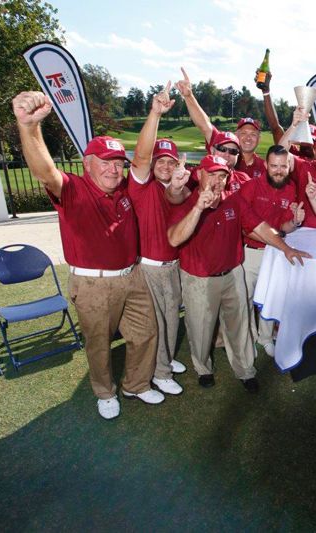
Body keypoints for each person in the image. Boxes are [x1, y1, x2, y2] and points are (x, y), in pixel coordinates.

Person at [11, 91, 163, 420]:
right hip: (93, 283)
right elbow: (45, 172)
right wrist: (29, 128)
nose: (113, 169)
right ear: (87, 163)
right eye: (105, 162)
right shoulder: (74, 189)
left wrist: (155, 114)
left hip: (132, 275)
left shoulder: (124, 189)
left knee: (147, 332)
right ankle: (104, 391)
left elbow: (143, 157)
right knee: (99, 344)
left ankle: (136, 384)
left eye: (117, 163)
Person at [167, 155, 310, 392]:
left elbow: (260, 228)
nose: (217, 180)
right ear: (199, 174)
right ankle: (203, 367)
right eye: (211, 174)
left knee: (240, 325)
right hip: (199, 278)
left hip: (233, 272)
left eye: (222, 176)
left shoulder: (234, 200)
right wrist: (198, 207)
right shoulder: (185, 200)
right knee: (201, 328)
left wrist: (285, 248)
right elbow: (174, 238)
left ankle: (245, 369)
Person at [127, 82, 191, 397]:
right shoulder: (141, 185)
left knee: (170, 317)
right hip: (149, 267)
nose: (165, 165)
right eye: (160, 161)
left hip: (173, 264)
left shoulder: (176, 188)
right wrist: (155, 114)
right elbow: (139, 156)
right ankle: (160, 372)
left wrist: (180, 184)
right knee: (155, 322)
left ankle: (164, 360)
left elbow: (178, 196)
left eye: (171, 161)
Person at [239, 145, 305, 357]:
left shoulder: (290, 188)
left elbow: (284, 227)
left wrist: (295, 221)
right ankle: (247, 339)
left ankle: (265, 337)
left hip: (275, 253)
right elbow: (243, 226)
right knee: (245, 301)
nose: (278, 170)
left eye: (283, 166)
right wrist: (276, 241)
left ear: (288, 167)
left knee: (270, 297)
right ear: (266, 165)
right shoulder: (250, 187)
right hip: (251, 252)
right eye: (274, 166)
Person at [175, 68, 251, 197]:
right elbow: (204, 125)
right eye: (222, 148)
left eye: (233, 151)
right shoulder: (194, 176)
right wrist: (188, 96)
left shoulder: (243, 180)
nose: (227, 154)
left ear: (238, 156)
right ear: (212, 150)